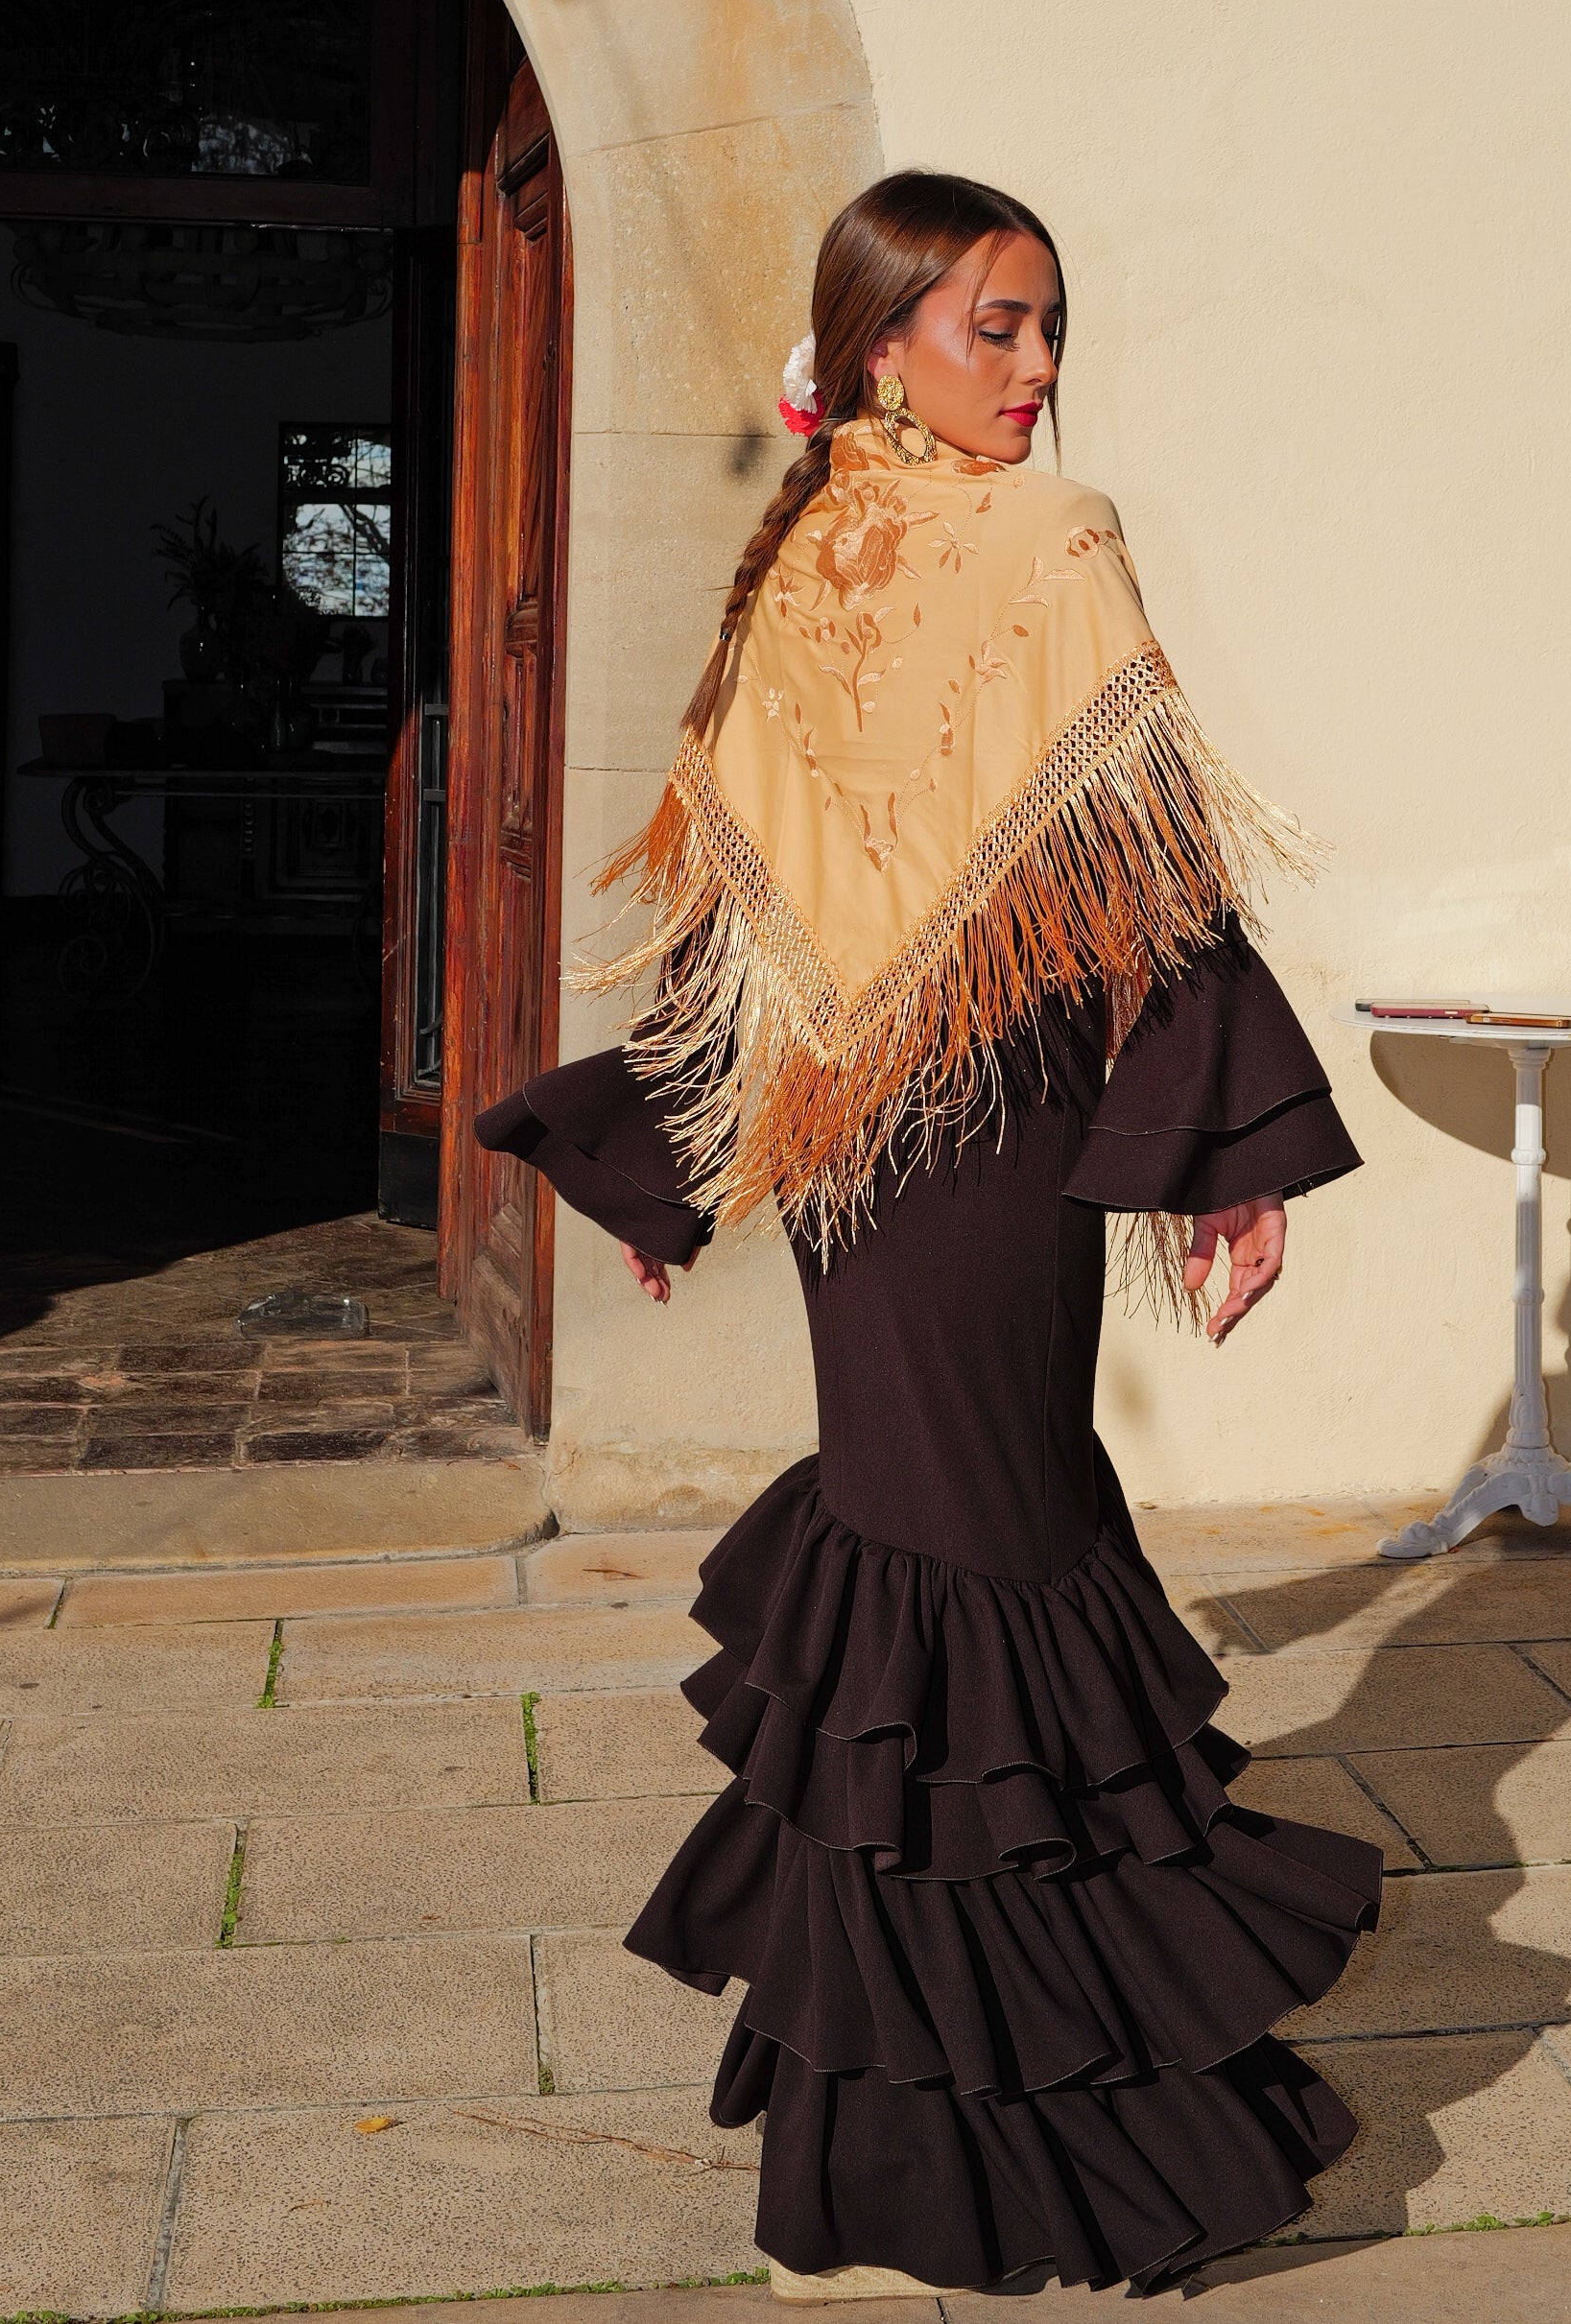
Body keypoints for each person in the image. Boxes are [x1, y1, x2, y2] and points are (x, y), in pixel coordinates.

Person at [477, 171, 1379, 2297]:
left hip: (955, 1155)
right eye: (996, 326)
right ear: (880, 338)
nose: (1039, 371)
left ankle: (952, 2123)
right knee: (963, 1561)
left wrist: (1209, 1149)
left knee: (980, 1546)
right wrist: (682, 1148)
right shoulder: (859, 545)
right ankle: (993, 2136)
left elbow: (1117, 867)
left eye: (1049, 325)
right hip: (917, 1151)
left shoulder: (896, 539)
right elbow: (760, 883)